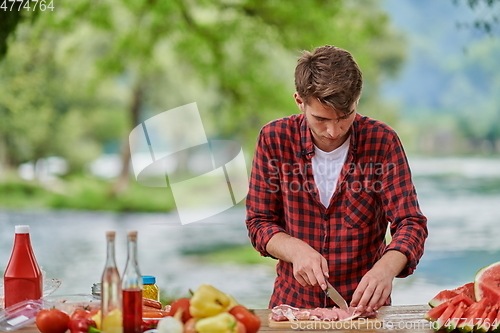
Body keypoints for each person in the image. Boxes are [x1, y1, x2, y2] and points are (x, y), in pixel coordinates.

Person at [245, 45, 428, 312]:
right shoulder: (274, 139)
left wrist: (387, 267)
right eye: (321, 119)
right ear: (299, 101)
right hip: (292, 309)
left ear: (357, 100)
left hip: (365, 311)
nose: (334, 130)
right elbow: (259, 222)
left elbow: (411, 223)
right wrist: (295, 250)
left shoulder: (382, 142)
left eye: (346, 117)